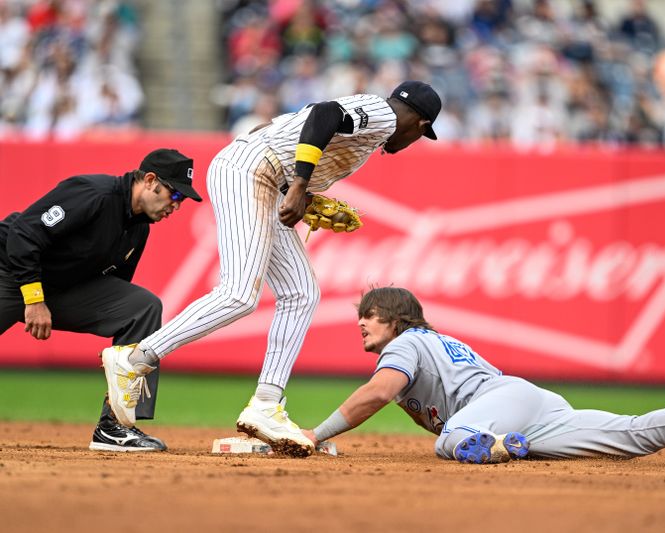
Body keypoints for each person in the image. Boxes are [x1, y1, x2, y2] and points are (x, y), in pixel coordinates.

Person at [102, 81, 442, 456]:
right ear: (420, 124)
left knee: (301, 294)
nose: (412, 141)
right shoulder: (384, 115)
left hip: (267, 178)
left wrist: (303, 192)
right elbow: (323, 113)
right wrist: (298, 184)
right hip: (250, 172)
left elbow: (295, 127)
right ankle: (135, 359)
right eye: (422, 135)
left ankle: (265, 404)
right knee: (239, 293)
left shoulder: (372, 130)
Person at [302, 287, 665, 465]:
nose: (362, 323)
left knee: (451, 438)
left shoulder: (407, 342)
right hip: (527, 405)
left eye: (369, 315)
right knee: (631, 434)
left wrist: (316, 435)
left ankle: (493, 445)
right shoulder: (431, 343)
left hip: (499, 405)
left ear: (392, 316)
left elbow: (378, 392)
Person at [0, 148, 202, 452]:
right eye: (174, 195)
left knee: (142, 308)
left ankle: (116, 426)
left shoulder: (138, 229)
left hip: (63, 287)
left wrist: (120, 357)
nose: (175, 206)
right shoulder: (94, 193)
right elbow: (23, 235)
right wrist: (34, 298)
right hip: (10, 272)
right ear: (149, 181)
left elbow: (114, 287)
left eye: (182, 201)